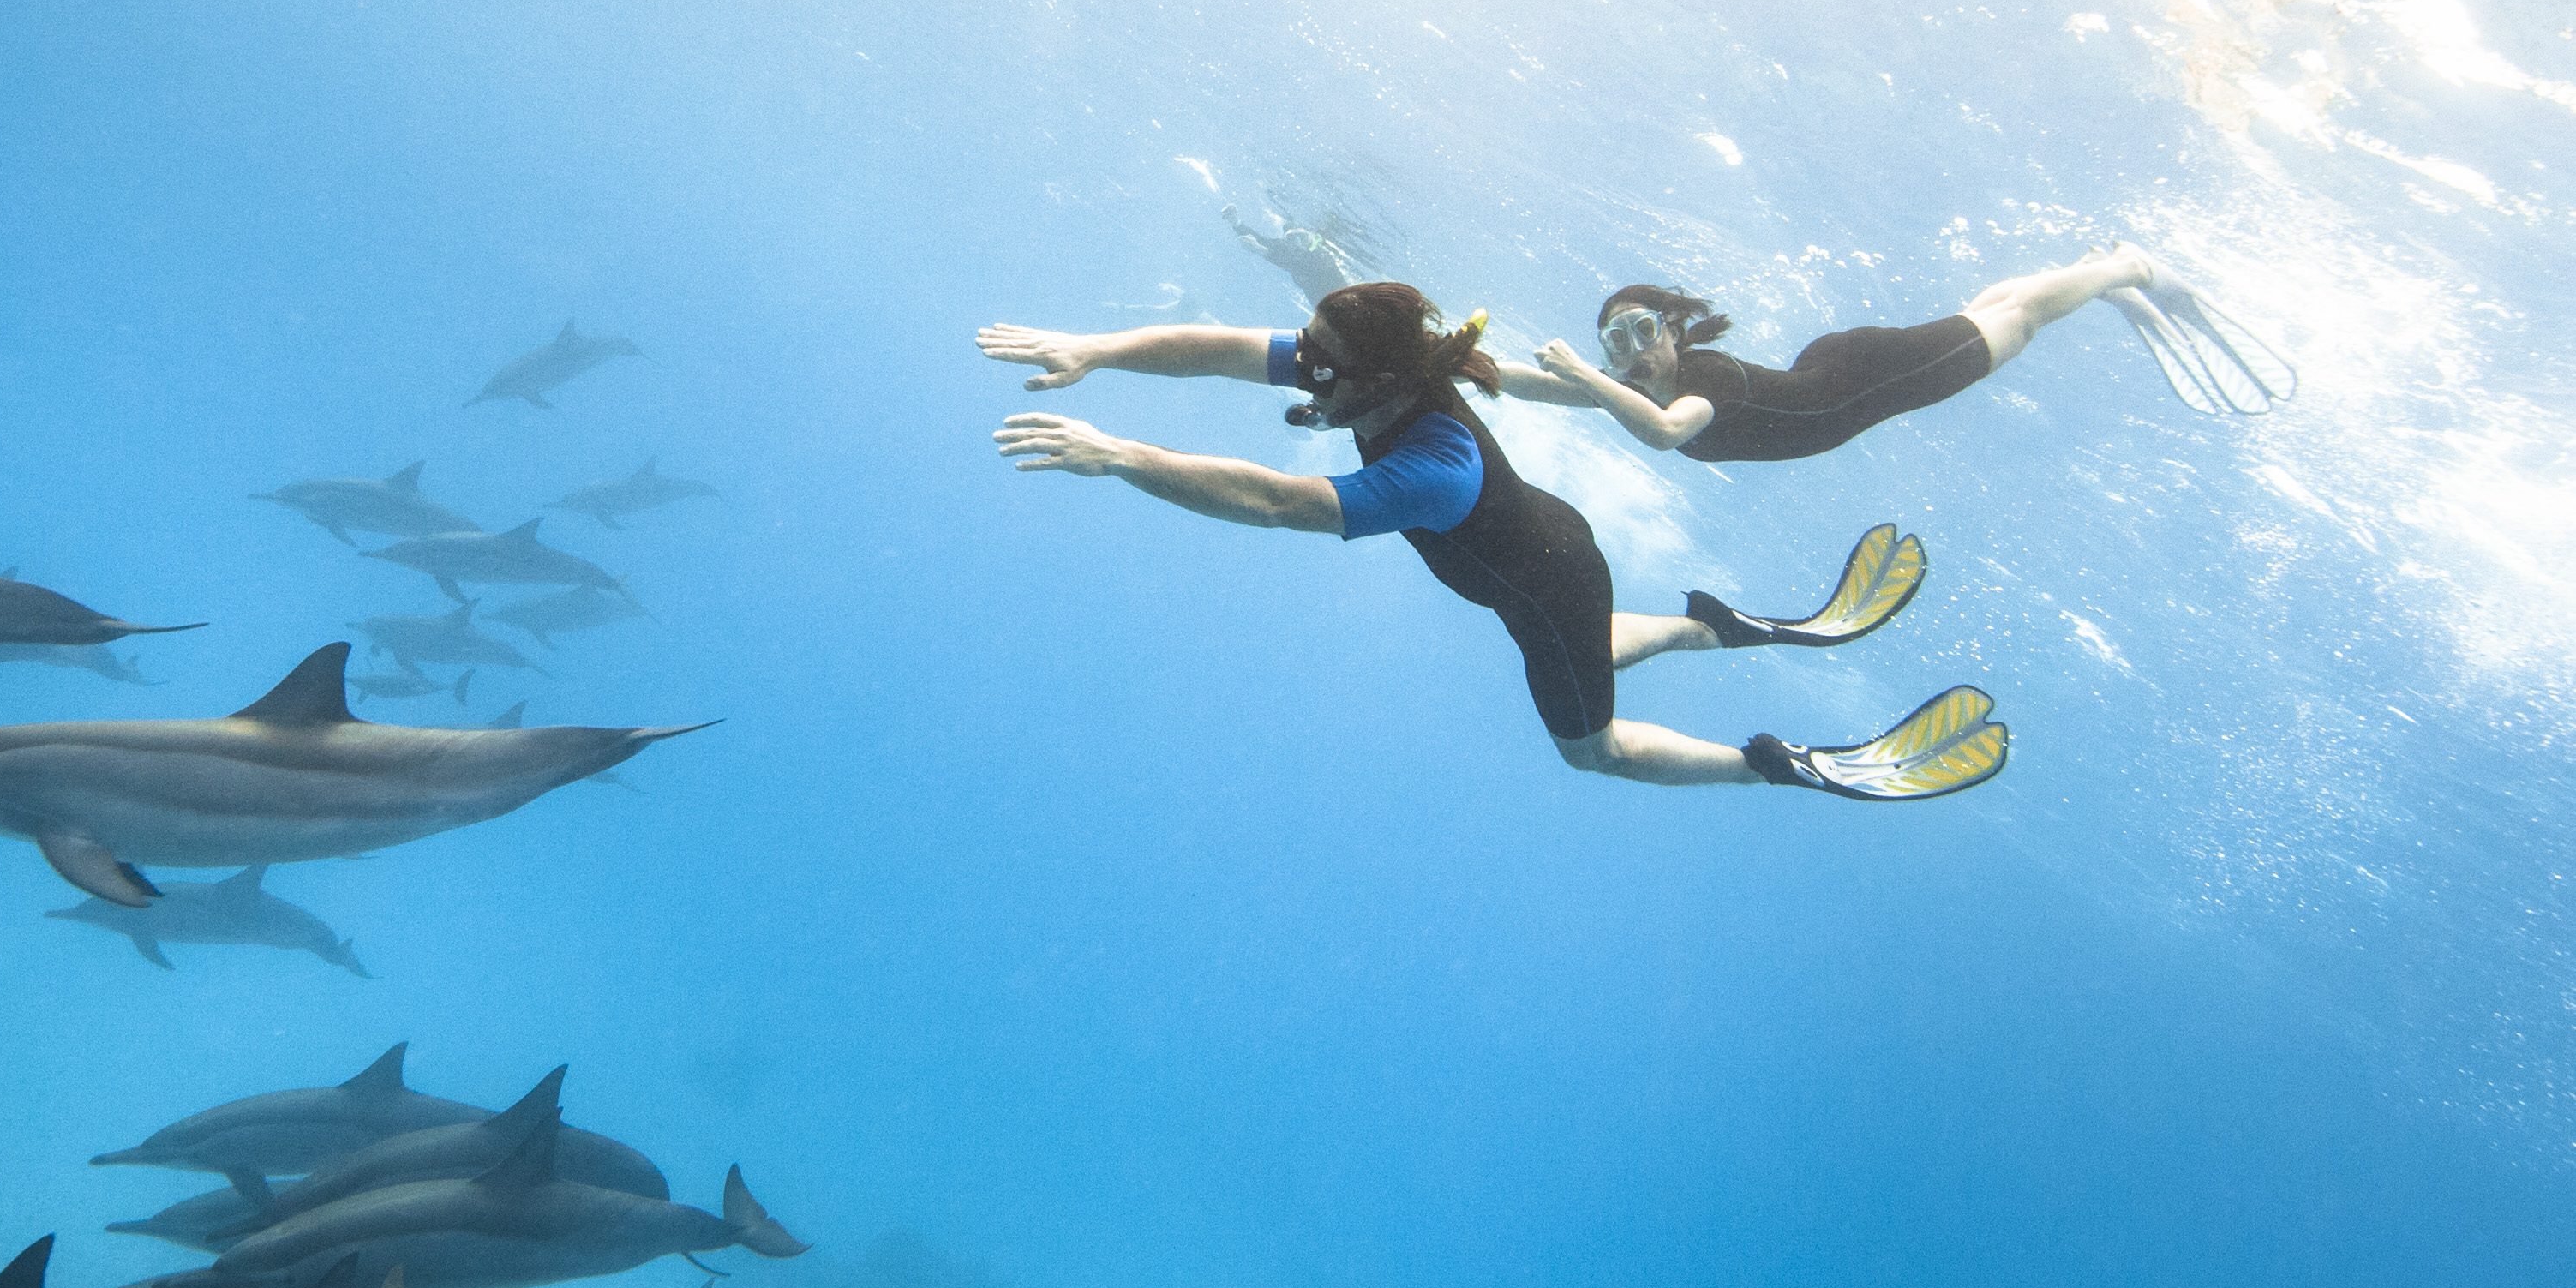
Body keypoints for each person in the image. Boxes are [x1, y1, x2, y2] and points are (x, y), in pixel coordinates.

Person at [976, 282, 2008, 799]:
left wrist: (1117, 453)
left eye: (1319, 360)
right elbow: (1215, 346)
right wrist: (1094, 350)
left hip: (1546, 578)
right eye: (1309, 350)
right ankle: (1717, 628)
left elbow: (1283, 504)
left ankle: (1774, 764)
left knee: (1586, 748)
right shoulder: (1363, 369)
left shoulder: (1435, 464)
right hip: (1551, 563)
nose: (1301, 366)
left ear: (1376, 375)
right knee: (1588, 643)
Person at [1501, 243, 2293, 462]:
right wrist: (1446, 362)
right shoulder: (1633, 392)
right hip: (1836, 369)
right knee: (1991, 314)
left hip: (1863, 377)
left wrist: (1582, 371)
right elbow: (1536, 386)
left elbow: (1670, 432)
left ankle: (2130, 266)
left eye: (1645, 328)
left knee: (2014, 322)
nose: (1633, 350)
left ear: (1675, 333)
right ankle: (2094, 277)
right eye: (1616, 343)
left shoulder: (1699, 381)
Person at [1222, 203, 1368, 309]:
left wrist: (1262, 251)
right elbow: (1259, 239)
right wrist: (1236, 223)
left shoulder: (1320, 254)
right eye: (1291, 239)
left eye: (1302, 237)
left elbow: (1303, 266)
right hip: (1326, 308)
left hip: (1342, 300)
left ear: (1312, 239)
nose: (1297, 243)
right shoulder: (1287, 251)